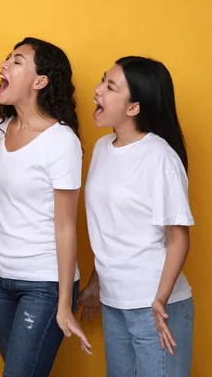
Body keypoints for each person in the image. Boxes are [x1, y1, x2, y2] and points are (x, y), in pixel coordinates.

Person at [0, 37, 91, 377]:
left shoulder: (61, 142)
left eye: (16, 61)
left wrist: (63, 305)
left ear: (40, 81)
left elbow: (65, 227)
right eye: (6, 59)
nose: (3, 65)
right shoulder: (1, 130)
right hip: (1, 280)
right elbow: (9, 213)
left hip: (43, 286)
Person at [77, 56, 194, 377]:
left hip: (157, 307)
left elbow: (179, 238)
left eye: (110, 87)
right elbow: (113, 229)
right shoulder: (102, 148)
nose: (97, 90)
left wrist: (160, 300)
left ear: (133, 108)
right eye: (102, 80)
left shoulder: (160, 158)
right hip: (115, 303)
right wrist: (94, 285)